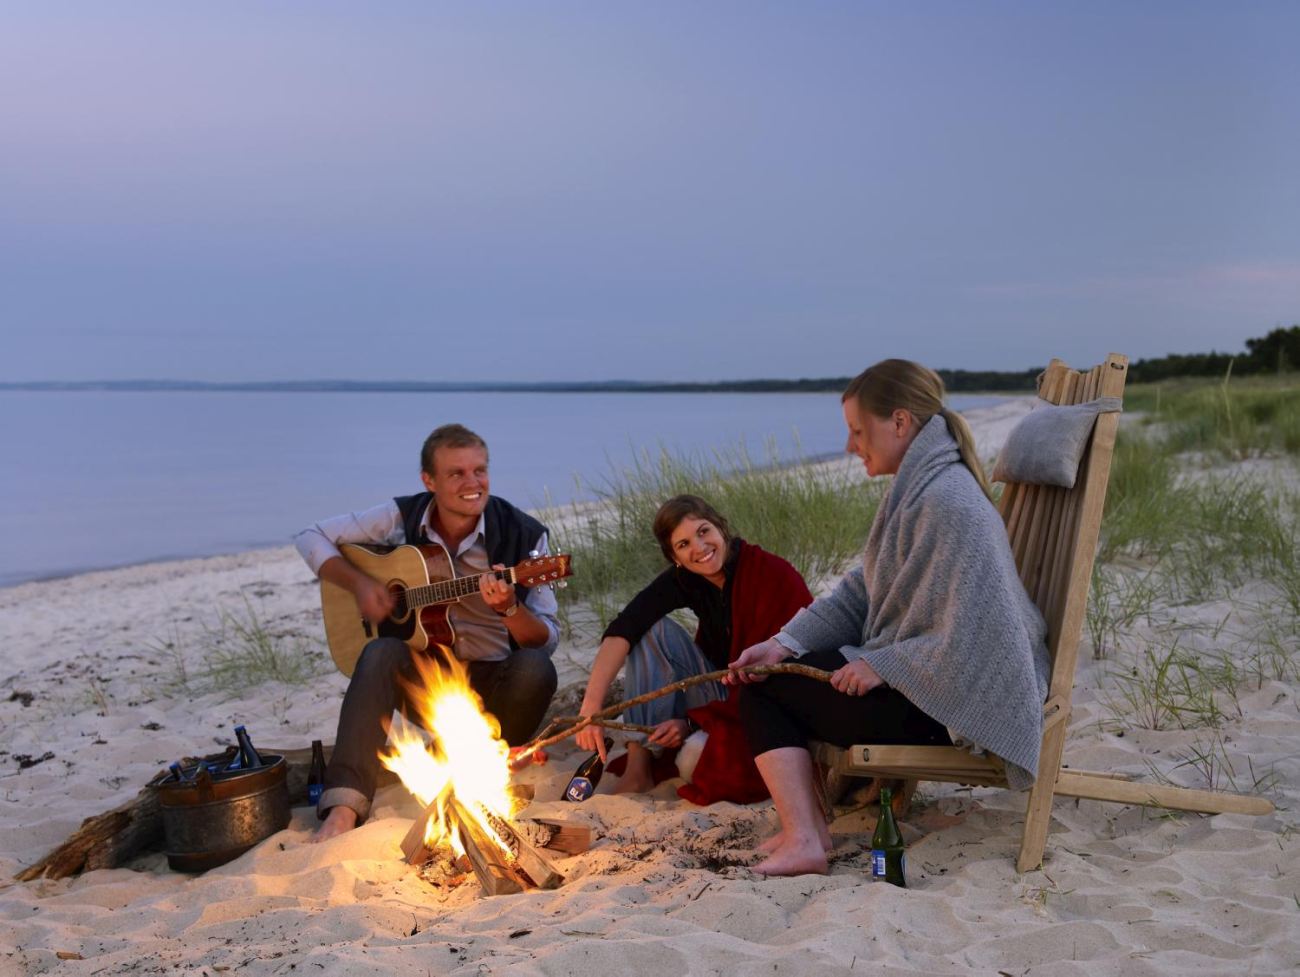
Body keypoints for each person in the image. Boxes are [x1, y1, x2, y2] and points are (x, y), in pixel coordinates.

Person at [728, 359, 1051, 876]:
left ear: (899, 423)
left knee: (763, 690)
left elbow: (982, 634)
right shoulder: (919, 491)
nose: (851, 445)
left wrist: (888, 666)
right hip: (929, 686)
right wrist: (784, 644)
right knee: (772, 671)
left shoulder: (947, 500)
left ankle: (805, 838)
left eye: (858, 430)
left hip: (945, 703)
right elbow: (864, 590)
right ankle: (806, 831)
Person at [294, 423, 559, 841]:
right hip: (426, 677)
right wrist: (361, 584)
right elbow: (311, 536)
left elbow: (546, 637)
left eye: (480, 471)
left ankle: (477, 770)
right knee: (380, 653)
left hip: (496, 687)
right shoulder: (403, 516)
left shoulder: (526, 537)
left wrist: (509, 608)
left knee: (536, 669)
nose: (473, 483)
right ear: (429, 480)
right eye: (456, 473)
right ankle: (343, 806)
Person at [575, 495, 813, 801]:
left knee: (694, 758)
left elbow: (779, 669)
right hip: (726, 687)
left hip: (770, 695)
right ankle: (638, 768)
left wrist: (689, 722)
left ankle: (689, 734)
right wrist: (590, 709)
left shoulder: (767, 572)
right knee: (651, 630)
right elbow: (626, 626)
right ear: (675, 557)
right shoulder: (687, 578)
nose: (699, 548)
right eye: (683, 544)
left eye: (703, 532)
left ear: (720, 528)